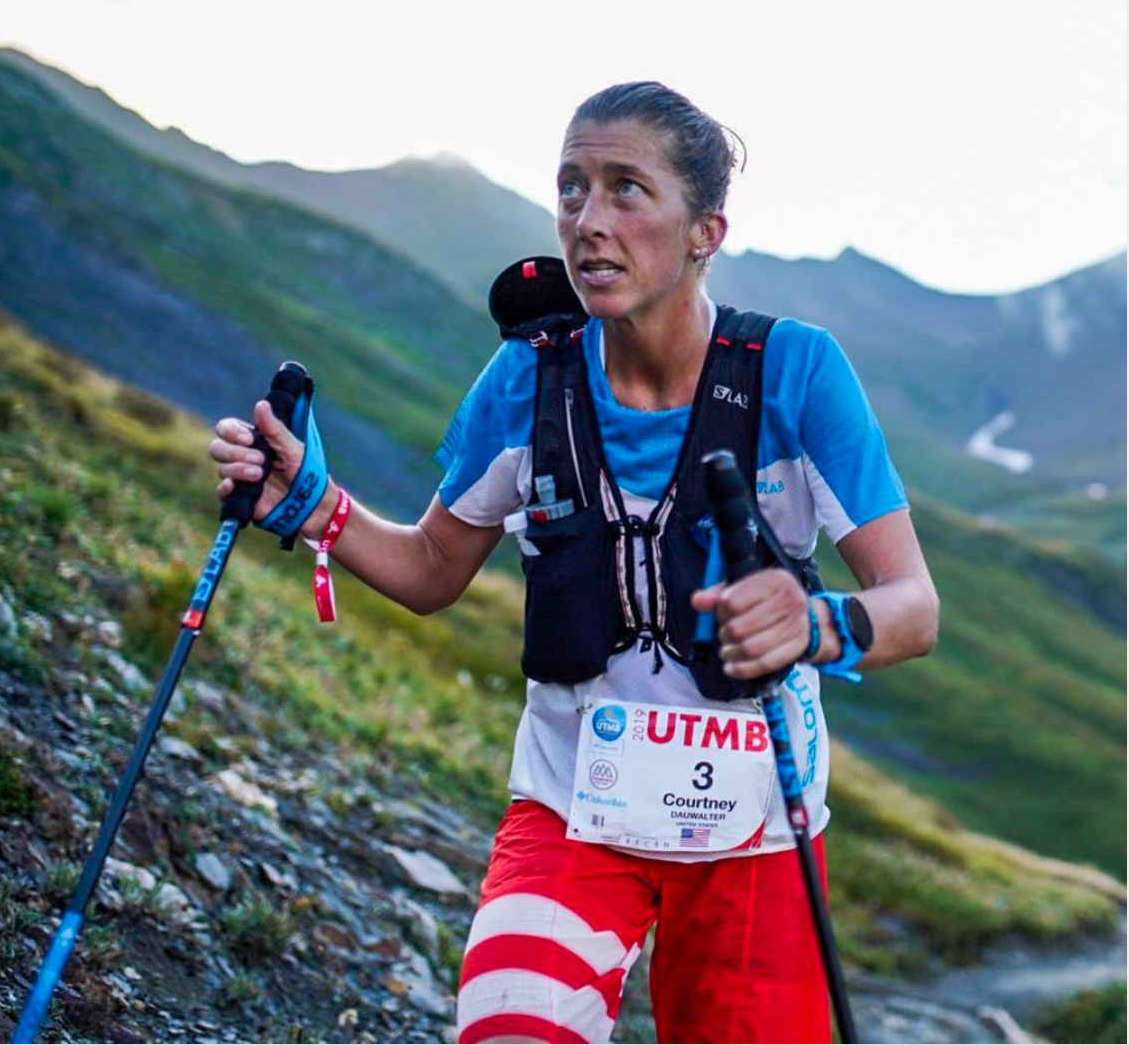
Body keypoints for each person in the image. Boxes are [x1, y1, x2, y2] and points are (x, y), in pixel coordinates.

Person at [208, 82, 939, 1045]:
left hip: (758, 826)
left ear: (704, 231)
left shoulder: (796, 372)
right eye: (570, 188)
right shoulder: (527, 376)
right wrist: (311, 507)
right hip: (570, 809)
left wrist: (818, 624)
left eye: (626, 190)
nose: (588, 222)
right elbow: (433, 568)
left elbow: (913, 607)